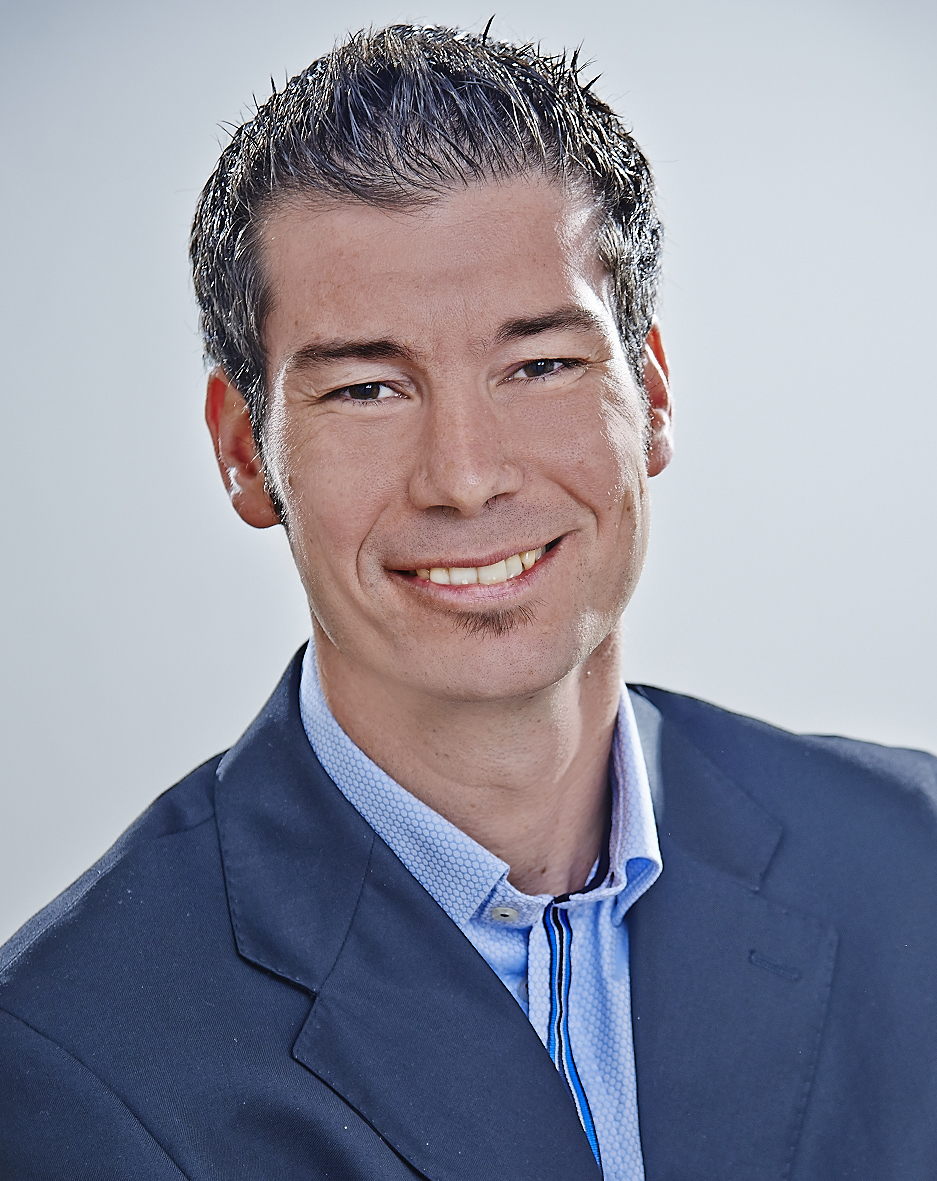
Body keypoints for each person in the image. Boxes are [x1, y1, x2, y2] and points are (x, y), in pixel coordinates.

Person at [1, 23, 935, 1181]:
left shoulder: (911, 861)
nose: (466, 475)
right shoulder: (68, 1060)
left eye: (539, 365)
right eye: (367, 387)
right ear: (244, 452)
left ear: (650, 395)